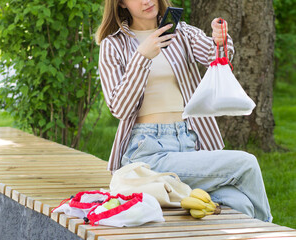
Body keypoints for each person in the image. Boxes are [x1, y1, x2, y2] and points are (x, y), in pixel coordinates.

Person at [95, 0, 272, 222]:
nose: (147, 1)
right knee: (246, 163)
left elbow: (217, 57)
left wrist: (220, 40)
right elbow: (119, 108)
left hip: (189, 143)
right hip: (148, 152)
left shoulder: (181, 32)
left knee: (240, 202)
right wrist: (142, 57)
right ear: (121, 3)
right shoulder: (113, 45)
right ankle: (271, 232)